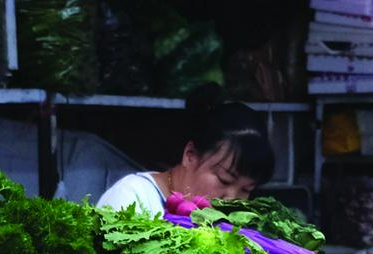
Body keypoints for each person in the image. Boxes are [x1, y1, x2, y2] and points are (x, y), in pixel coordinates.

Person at [94, 92, 276, 215]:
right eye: (224, 180)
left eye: (246, 190)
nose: (232, 199)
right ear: (190, 155)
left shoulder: (224, 224)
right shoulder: (131, 198)